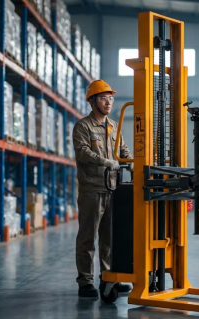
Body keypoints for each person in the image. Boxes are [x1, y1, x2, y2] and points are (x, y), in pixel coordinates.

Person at [72, 79, 133, 298]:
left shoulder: (114, 126)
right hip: (92, 189)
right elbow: (82, 152)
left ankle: (108, 279)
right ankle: (85, 282)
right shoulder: (83, 126)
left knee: (109, 239)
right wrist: (105, 162)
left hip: (113, 189)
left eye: (110, 98)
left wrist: (133, 163)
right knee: (88, 238)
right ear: (92, 102)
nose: (108, 102)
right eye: (103, 98)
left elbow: (123, 149)